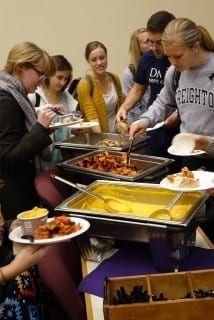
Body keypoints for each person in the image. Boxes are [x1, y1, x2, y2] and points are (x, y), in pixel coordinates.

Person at [0, 42, 87, 320]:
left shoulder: (16, 95)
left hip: (16, 199)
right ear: (21, 67)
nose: (41, 80)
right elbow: (8, 158)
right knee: (24, 272)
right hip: (14, 194)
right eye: (39, 73)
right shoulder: (6, 99)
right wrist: (41, 128)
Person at [129, 17, 214, 172]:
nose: (173, 62)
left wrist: (207, 143)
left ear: (195, 47)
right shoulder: (175, 73)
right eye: (169, 56)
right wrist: (144, 121)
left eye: (178, 56)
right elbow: (164, 102)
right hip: (190, 157)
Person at [116, 11, 179, 157]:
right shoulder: (148, 58)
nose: (154, 48)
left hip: (178, 130)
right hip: (154, 126)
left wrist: (178, 114)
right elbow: (138, 88)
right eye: (151, 42)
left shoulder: (180, 62)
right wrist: (124, 107)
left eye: (159, 43)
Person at [29, 54, 78, 167]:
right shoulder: (34, 97)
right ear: (48, 75)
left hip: (65, 158)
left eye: (66, 79)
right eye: (59, 77)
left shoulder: (68, 98)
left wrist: (74, 121)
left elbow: (72, 129)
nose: (63, 83)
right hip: (42, 159)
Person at [77, 41, 124, 133]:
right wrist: (104, 143)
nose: (99, 63)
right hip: (95, 137)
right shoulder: (84, 84)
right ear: (88, 61)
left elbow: (121, 107)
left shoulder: (114, 78)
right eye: (94, 60)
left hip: (115, 135)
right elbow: (92, 117)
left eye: (102, 58)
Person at [121, 27, 151, 125]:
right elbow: (134, 108)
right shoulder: (129, 74)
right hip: (138, 124)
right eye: (147, 42)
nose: (152, 44)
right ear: (138, 48)